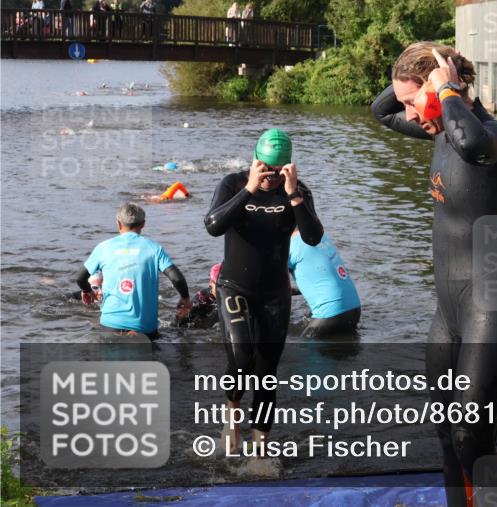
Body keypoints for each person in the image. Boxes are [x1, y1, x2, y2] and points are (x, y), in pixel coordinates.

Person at [372, 42, 497, 507]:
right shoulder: (440, 129)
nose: (409, 114)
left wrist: (445, 87)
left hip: (491, 305)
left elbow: (473, 144)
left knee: (473, 442)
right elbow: (380, 111)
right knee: (447, 439)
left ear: (442, 90)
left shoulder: (494, 136)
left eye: (413, 101)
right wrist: (419, 71)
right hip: (450, 311)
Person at [204, 129, 323, 454]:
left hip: (274, 293)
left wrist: (294, 194)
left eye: (277, 171)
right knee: (242, 358)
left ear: (287, 167)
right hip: (234, 287)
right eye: (265, 169)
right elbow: (213, 225)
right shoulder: (232, 183)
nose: (270, 177)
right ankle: (232, 412)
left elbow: (313, 237)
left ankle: (259, 450)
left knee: (267, 373)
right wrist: (249, 189)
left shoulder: (296, 191)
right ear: (256, 161)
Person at [75, 202, 191, 340]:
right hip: (144, 329)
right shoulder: (154, 249)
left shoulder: (103, 248)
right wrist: (185, 298)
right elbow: (176, 278)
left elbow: (80, 278)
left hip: (110, 325)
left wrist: (87, 291)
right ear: (143, 224)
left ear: (118, 224)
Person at [288, 229, 361, 338]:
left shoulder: (287, 247)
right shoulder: (320, 236)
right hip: (354, 309)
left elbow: (275, 289)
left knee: (303, 348)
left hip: (330, 313)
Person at [175, 262, 220, 328]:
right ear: (211, 283)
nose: (222, 289)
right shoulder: (201, 300)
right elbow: (177, 325)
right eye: (218, 285)